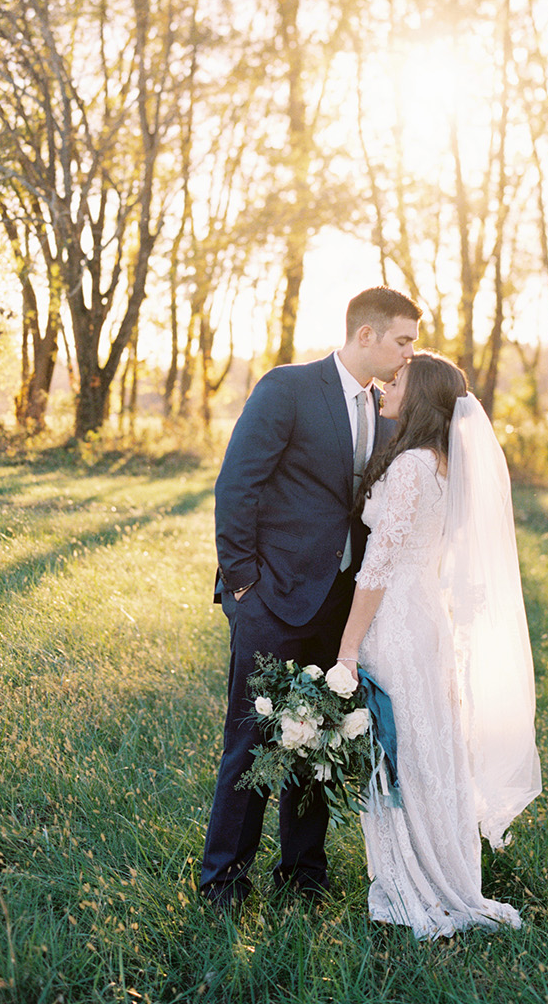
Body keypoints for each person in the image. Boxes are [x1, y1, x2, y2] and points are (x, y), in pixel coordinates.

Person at [199, 285, 422, 908]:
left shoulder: (386, 408)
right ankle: (224, 881)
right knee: (251, 741)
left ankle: (303, 876)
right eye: (403, 340)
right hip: (272, 598)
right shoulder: (288, 388)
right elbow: (237, 486)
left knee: (319, 740)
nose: (409, 353)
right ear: (367, 335)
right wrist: (244, 586)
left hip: (340, 607)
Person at [336, 352, 541, 939]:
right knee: (428, 749)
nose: (384, 385)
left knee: (403, 751)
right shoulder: (445, 464)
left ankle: (414, 885)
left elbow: (377, 567)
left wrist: (347, 651)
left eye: (396, 380)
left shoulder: (411, 468)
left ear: (420, 394)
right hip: (427, 617)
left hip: (397, 621)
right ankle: (440, 870)